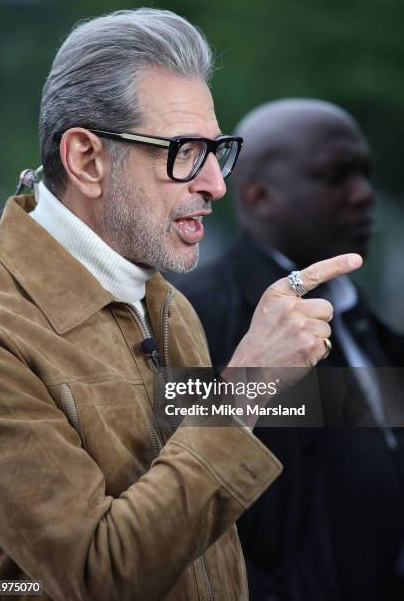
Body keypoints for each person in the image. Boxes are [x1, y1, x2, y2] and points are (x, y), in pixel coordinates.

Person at [0, 13, 361, 601]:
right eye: (185, 151)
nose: (214, 184)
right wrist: (250, 382)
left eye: (217, 151)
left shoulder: (168, 304)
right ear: (86, 159)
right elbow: (97, 575)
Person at [176, 99, 404, 600]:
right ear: (258, 196)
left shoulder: (358, 316)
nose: (364, 195)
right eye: (337, 176)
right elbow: (181, 502)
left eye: (366, 174)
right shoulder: (194, 316)